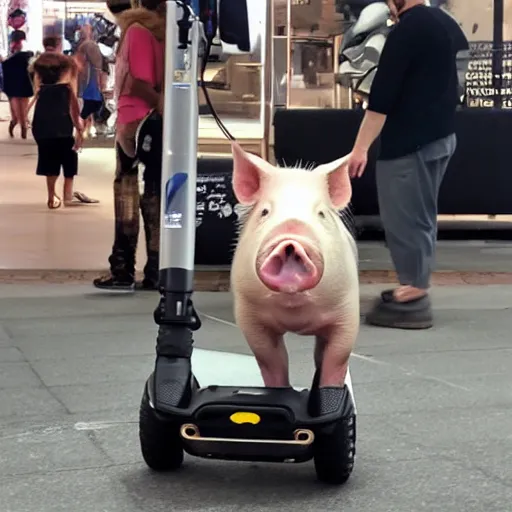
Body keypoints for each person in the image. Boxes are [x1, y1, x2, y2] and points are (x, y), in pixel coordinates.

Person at [347, 0, 468, 329]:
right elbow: (459, 73)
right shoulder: (446, 23)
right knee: (423, 216)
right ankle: (417, 282)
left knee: (403, 219)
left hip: (408, 144)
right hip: (442, 136)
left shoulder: (406, 32)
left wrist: (360, 149)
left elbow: (382, 98)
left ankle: (413, 290)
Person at [93, 0, 165, 292]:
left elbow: (137, 83)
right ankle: (157, 269)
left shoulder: (135, 31)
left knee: (125, 191)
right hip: (154, 122)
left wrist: (156, 104)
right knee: (155, 194)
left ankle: (121, 267)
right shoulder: (164, 35)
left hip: (135, 119)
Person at [31, 52, 84, 209]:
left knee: (49, 161)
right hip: (63, 129)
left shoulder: (41, 90)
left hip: (42, 130)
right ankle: (68, 194)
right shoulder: (66, 90)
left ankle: (51, 195)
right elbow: (73, 111)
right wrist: (79, 128)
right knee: (69, 159)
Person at [1, 30, 33, 139]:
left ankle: (22, 127)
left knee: (20, 112)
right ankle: (17, 125)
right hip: (16, 84)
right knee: (18, 113)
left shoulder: (22, 52)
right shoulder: (18, 52)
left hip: (18, 84)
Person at [76, 24, 105, 138]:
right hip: (88, 79)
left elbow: (97, 65)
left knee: (88, 104)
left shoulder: (87, 45)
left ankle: (85, 128)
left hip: (88, 79)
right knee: (89, 104)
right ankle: (85, 128)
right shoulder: (89, 45)